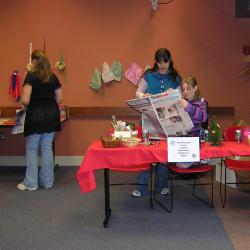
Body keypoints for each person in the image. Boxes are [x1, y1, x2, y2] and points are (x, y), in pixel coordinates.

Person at [131, 48, 181, 197]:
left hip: (167, 119)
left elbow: (180, 96)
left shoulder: (175, 77)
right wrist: (143, 95)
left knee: (164, 153)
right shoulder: (148, 75)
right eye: (159, 62)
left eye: (165, 61)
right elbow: (138, 93)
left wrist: (174, 93)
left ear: (170, 59)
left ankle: (162, 186)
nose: (162, 65)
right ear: (156, 61)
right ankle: (142, 187)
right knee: (145, 153)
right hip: (148, 118)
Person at [17, 49, 62, 191]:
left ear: (35, 61)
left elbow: (25, 99)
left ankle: (31, 183)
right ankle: (47, 182)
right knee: (47, 148)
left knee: (32, 149)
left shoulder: (31, 76)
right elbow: (60, 99)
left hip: (36, 116)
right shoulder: (53, 77)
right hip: (52, 115)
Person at [176, 76, 208, 168]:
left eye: (188, 89)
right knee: (165, 158)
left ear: (195, 88)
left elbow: (203, 117)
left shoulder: (201, 103)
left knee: (182, 165)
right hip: (181, 139)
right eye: (183, 89)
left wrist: (188, 107)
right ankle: (197, 159)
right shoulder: (182, 102)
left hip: (193, 140)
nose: (185, 92)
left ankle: (199, 159)